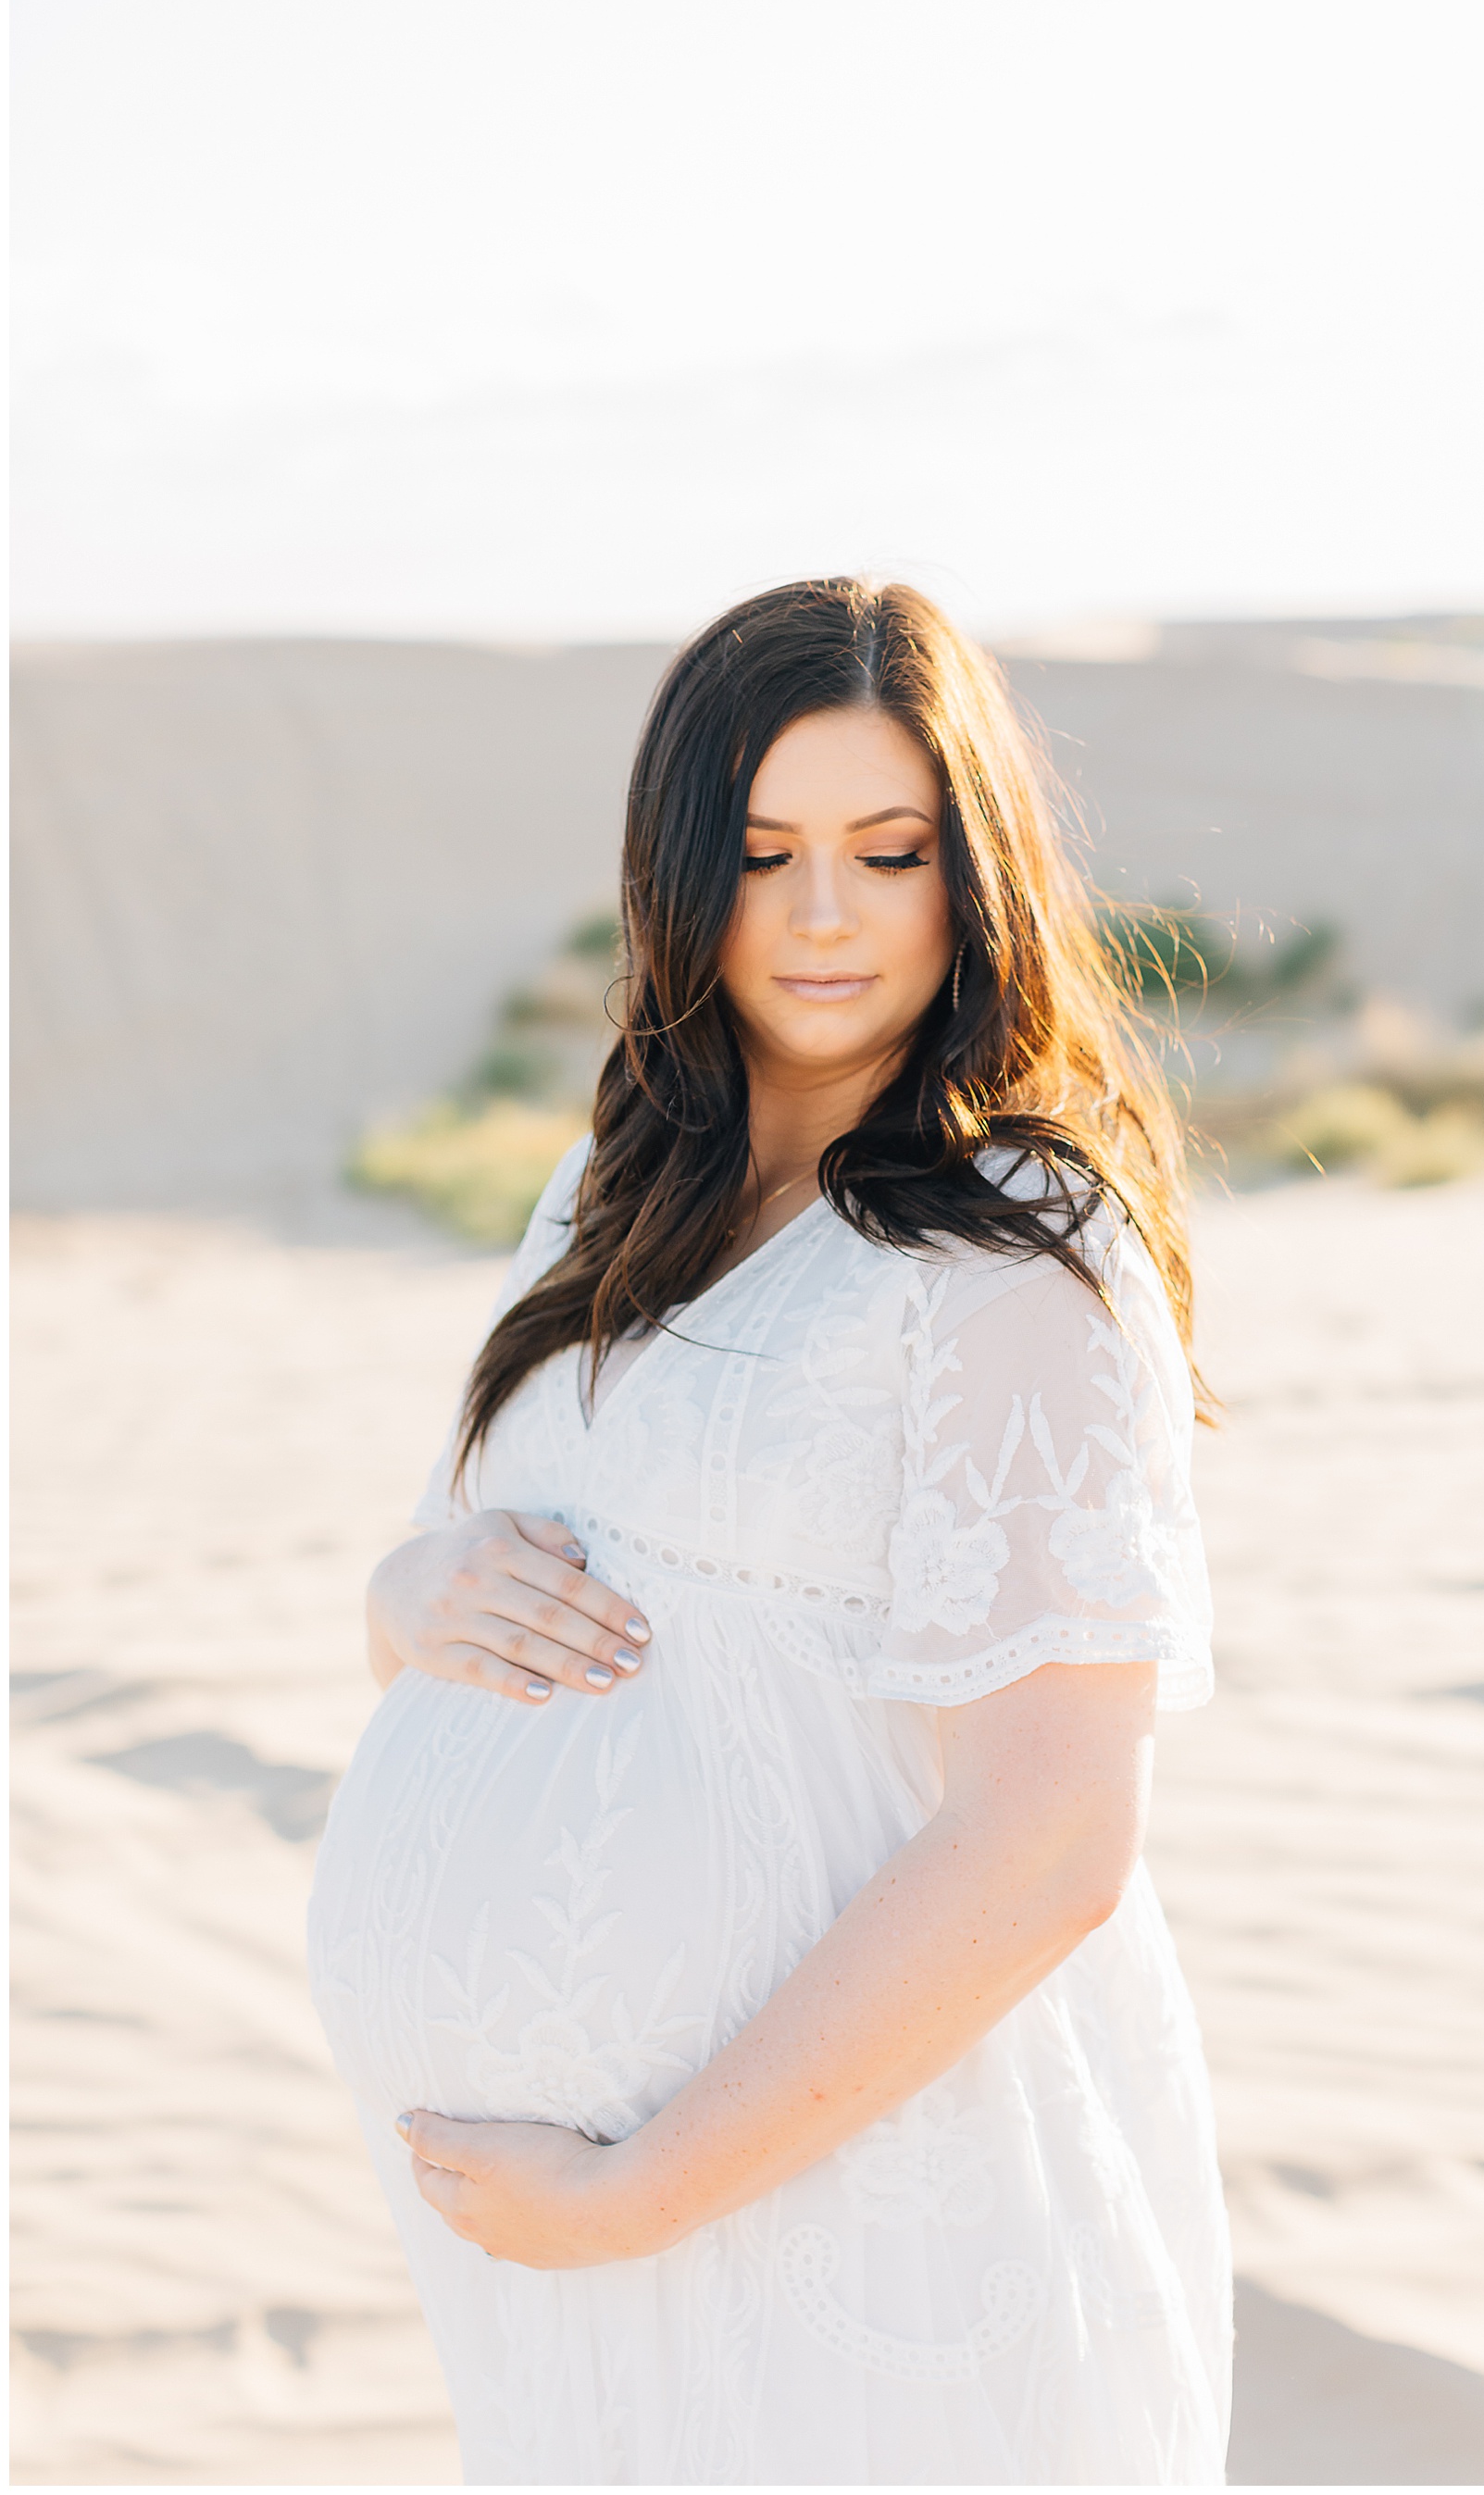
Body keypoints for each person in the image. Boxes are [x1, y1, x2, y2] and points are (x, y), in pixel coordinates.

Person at [308, 577, 1232, 2485]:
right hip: (574, 2262)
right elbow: (438, 1582)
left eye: (887, 853)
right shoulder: (615, 1181)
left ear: (966, 876)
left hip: (841, 2216)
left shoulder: (1015, 1255)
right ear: (678, 874)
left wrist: (648, 2186)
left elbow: (1052, 1835)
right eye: (763, 852)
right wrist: (412, 1586)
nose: (823, 916)